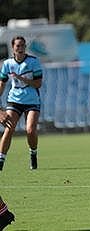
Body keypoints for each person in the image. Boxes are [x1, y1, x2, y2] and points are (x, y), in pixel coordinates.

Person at [0, 36, 43, 171]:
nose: (20, 48)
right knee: (9, 128)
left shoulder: (33, 62)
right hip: (14, 100)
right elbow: (1, 85)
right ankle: (1, 160)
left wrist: (22, 79)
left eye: (23, 46)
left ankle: (33, 153)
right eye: (18, 46)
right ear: (13, 48)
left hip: (32, 100)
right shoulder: (7, 64)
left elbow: (38, 83)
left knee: (30, 130)